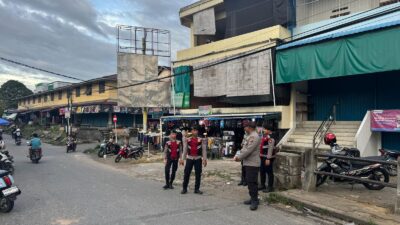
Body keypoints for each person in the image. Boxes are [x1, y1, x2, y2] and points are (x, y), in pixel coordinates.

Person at [234, 122, 261, 211]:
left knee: (252, 182)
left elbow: (249, 150)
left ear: (249, 127)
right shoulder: (249, 136)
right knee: (250, 182)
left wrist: (239, 157)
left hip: (252, 163)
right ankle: (253, 198)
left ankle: (254, 201)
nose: (244, 128)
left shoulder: (254, 136)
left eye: (245, 127)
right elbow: (244, 148)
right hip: (248, 162)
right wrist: (238, 155)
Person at [180, 126, 207, 195]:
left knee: (198, 174)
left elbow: (204, 150)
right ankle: (184, 188)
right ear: (191, 131)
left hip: (198, 158)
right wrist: (182, 159)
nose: (195, 132)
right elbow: (185, 149)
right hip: (189, 158)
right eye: (193, 130)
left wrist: (204, 159)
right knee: (186, 174)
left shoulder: (201, 140)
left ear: (197, 131)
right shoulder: (187, 139)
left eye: (196, 130)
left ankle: (197, 189)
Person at [259, 125, 276, 193]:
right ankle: (262, 185)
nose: (263, 130)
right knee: (262, 171)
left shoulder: (271, 138)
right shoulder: (265, 137)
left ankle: (270, 187)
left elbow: (270, 148)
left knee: (269, 172)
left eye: (265, 129)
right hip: (263, 156)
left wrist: (268, 158)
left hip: (268, 157)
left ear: (269, 130)